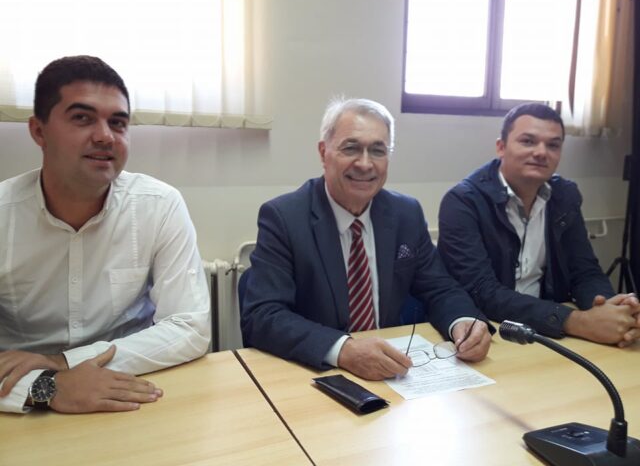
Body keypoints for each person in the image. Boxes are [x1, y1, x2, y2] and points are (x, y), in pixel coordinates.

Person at [0, 55, 211, 414]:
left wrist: (63, 364)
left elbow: (190, 327)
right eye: (82, 118)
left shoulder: (159, 205)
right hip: (23, 407)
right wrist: (48, 388)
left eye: (118, 123)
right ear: (38, 131)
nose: (105, 136)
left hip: (135, 392)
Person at [241, 97, 492, 380]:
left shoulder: (406, 213)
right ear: (323, 153)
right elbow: (263, 315)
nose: (364, 163)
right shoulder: (284, 217)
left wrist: (463, 321)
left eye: (377, 150)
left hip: (391, 372)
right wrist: (344, 349)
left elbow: (440, 288)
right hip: (316, 374)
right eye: (351, 148)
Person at [438, 102, 640, 346]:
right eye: (528, 141)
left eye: (553, 145)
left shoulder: (565, 195)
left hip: (547, 329)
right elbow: (482, 291)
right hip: (487, 332)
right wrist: (577, 321)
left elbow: (585, 271)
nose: (541, 152)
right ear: (501, 147)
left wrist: (611, 310)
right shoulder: (463, 201)